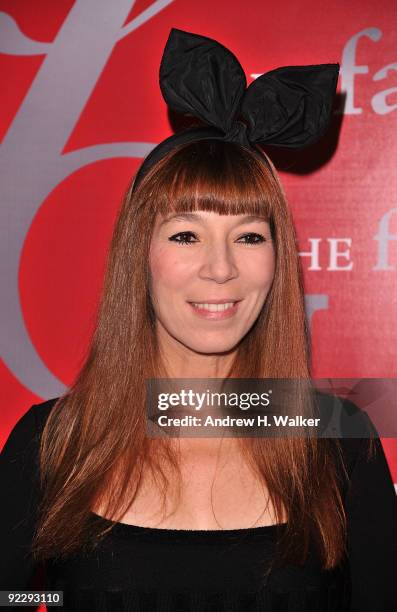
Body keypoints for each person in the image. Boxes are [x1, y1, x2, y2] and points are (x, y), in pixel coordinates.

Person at [1, 28, 397, 611]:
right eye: (187, 234)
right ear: (140, 253)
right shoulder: (52, 443)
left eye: (249, 236)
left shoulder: (340, 444)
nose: (221, 269)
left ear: (277, 260)